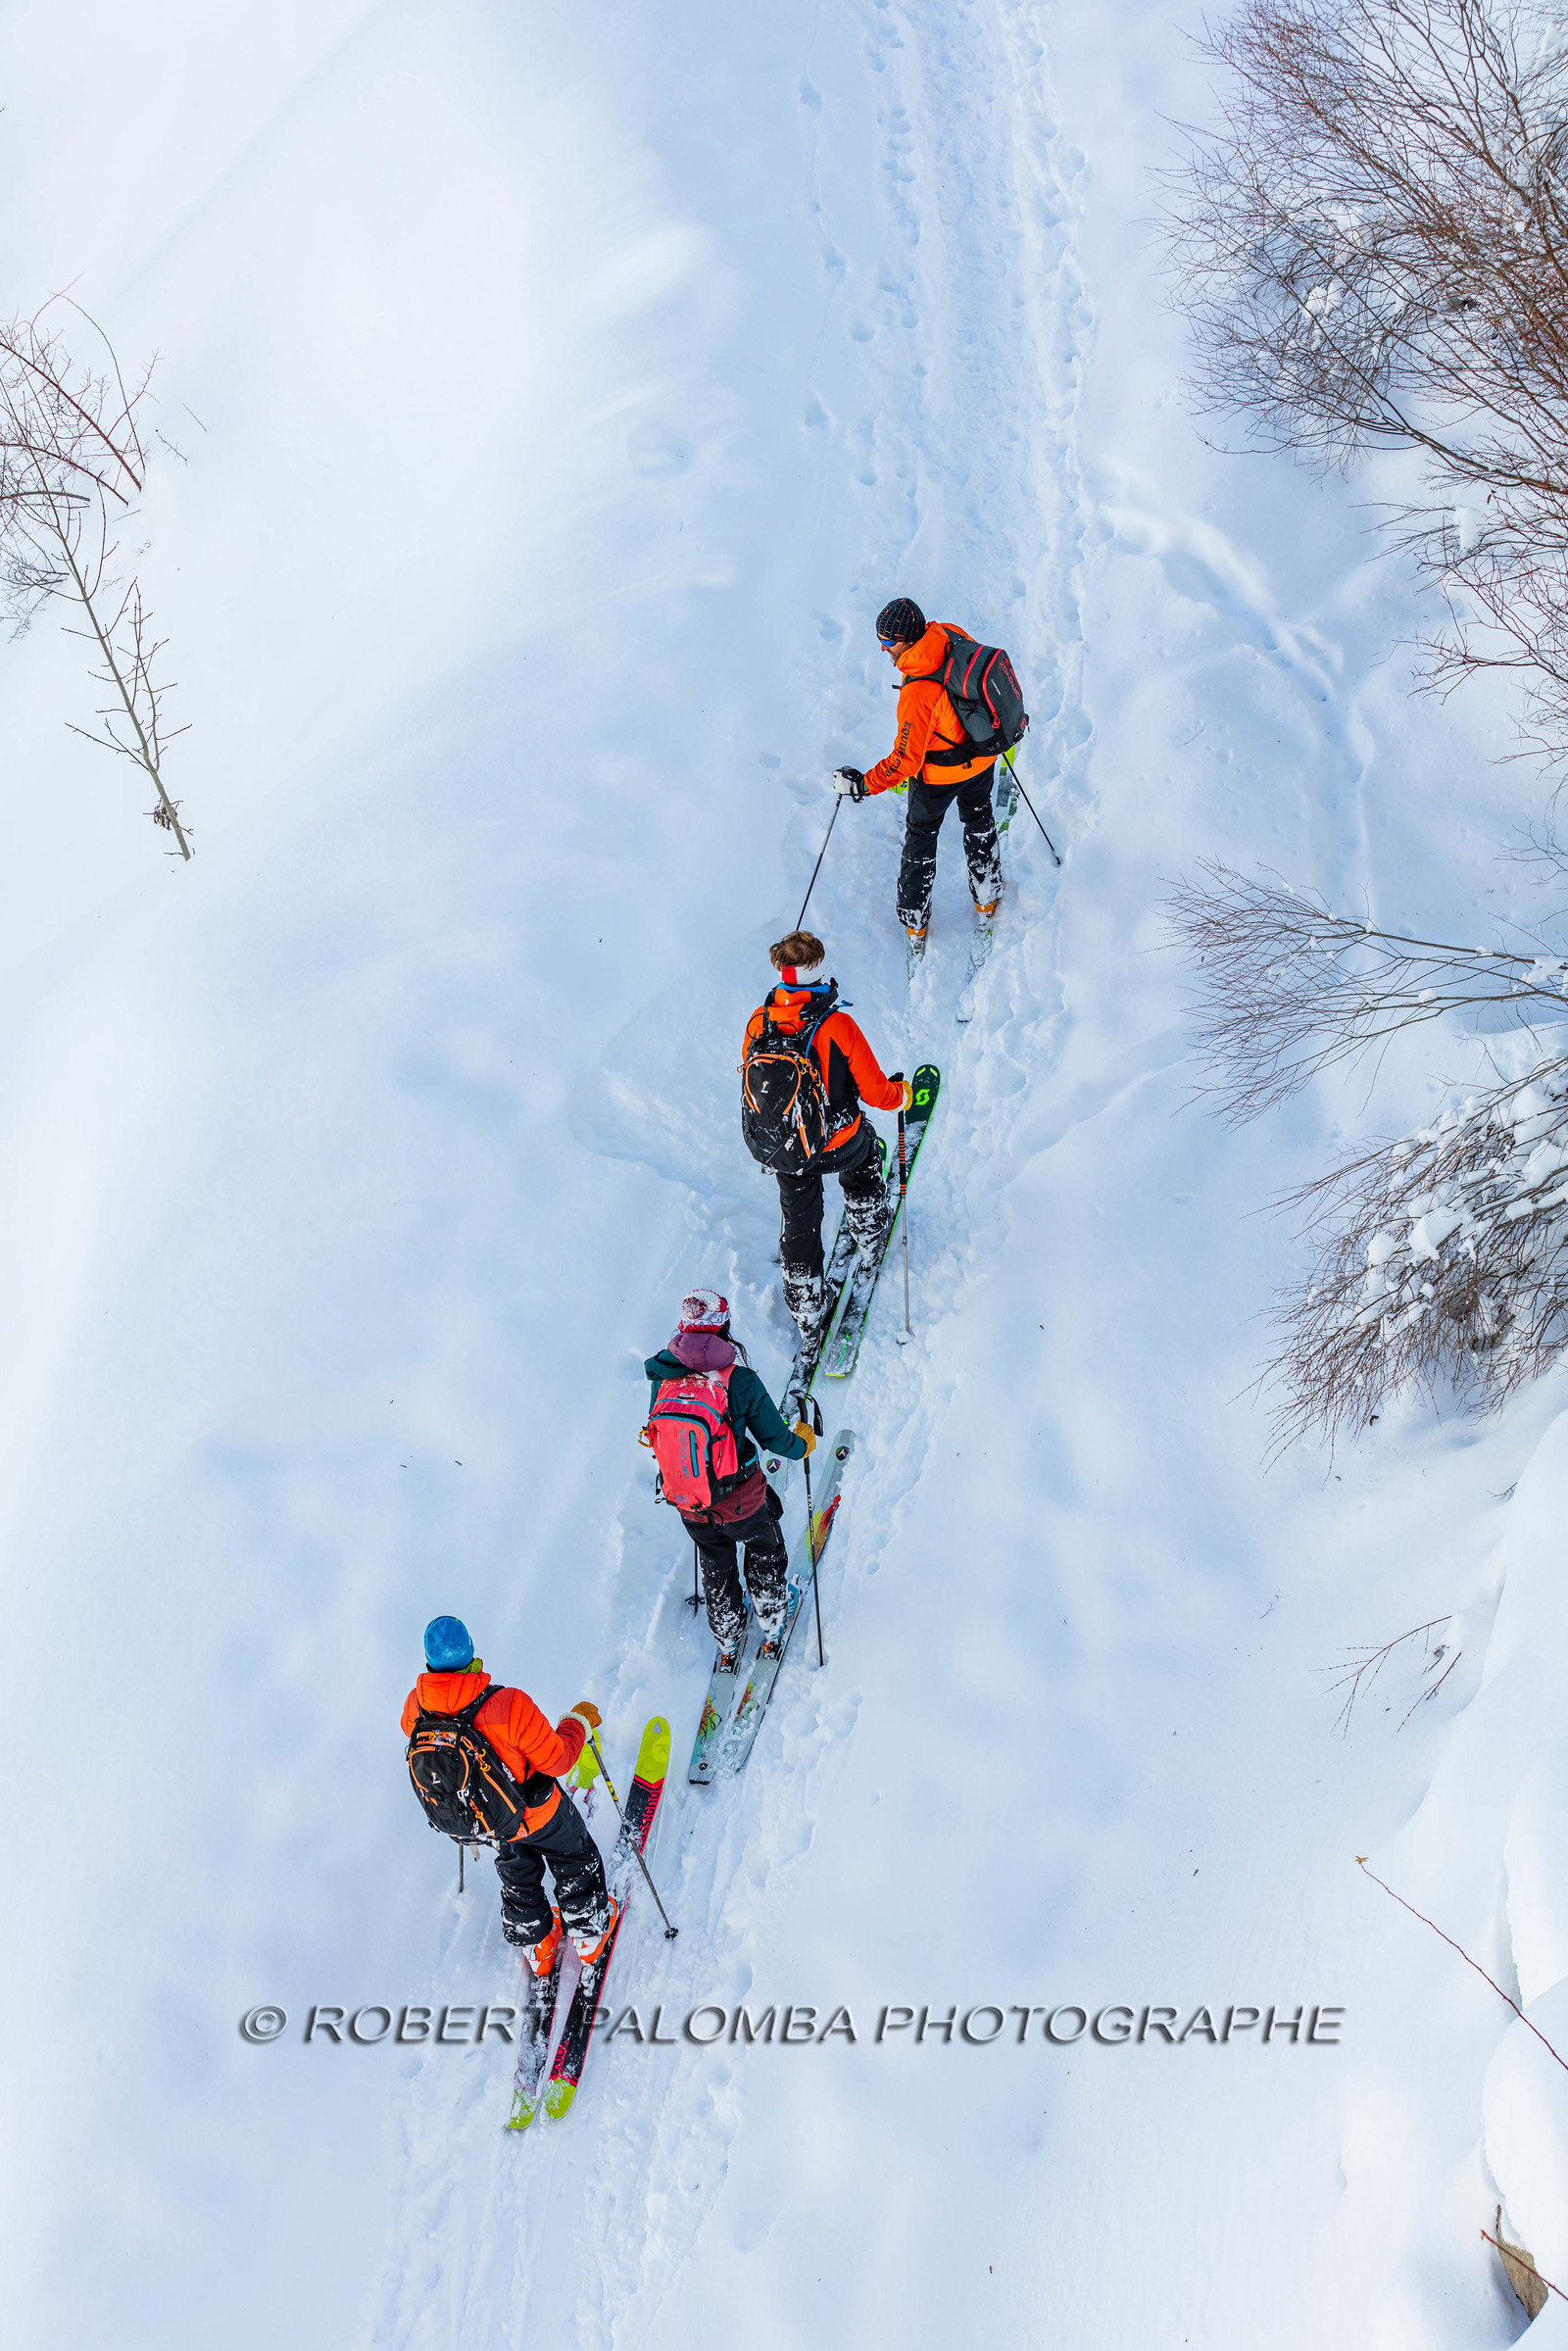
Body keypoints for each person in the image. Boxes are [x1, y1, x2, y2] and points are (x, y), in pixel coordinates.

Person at [401, 1614, 613, 1977]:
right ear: (471, 1655)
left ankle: (538, 1945)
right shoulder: (509, 1705)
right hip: (539, 1812)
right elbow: (559, 1759)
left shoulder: (415, 1708)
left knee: (517, 1868)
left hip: (487, 1819)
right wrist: (575, 1723)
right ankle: (589, 1934)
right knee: (574, 1854)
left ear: (429, 1663)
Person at [741, 934, 910, 1352]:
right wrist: (902, 1095)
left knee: (798, 1223)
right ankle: (870, 1230)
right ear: (817, 971)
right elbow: (876, 1094)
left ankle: (807, 1310)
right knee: (866, 1156)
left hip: (789, 1149)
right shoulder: (837, 1026)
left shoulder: (757, 1024)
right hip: (838, 1139)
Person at [644, 1288, 814, 1666]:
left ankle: (727, 1635)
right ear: (724, 1328)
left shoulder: (662, 1378)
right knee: (765, 1550)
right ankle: (772, 1617)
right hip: (741, 1501)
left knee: (715, 1562)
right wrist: (802, 1446)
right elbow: (774, 1438)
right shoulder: (740, 1381)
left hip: (690, 1504)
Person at [836, 596, 1004, 953]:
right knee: (978, 817)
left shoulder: (918, 691)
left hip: (939, 777)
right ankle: (987, 896)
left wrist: (863, 784)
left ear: (908, 640)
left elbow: (905, 762)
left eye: (888, 643)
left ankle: (914, 919)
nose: (884, 650)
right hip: (982, 758)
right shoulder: (950, 634)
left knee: (921, 836)